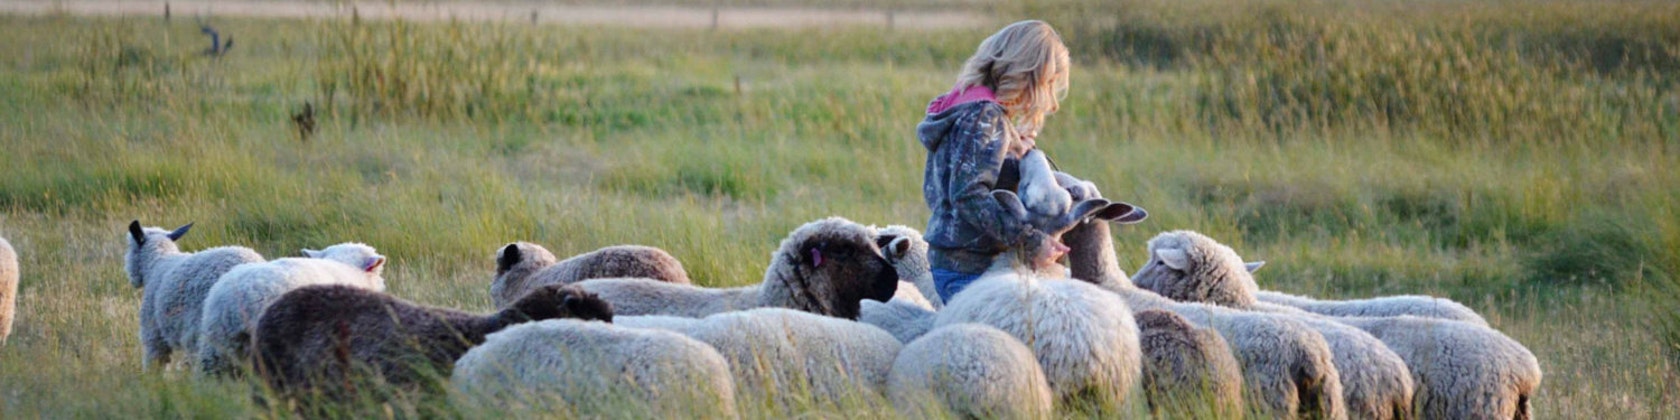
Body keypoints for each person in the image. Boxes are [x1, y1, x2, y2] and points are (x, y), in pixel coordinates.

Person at [917, 20, 1100, 302]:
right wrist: (1031, 241)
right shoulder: (984, 116)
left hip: (956, 261)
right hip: (972, 269)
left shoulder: (967, 105)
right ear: (1028, 74)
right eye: (1049, 82)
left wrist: (1013, 147)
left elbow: (966, 172)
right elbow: (968, 195)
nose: (1050, 100)